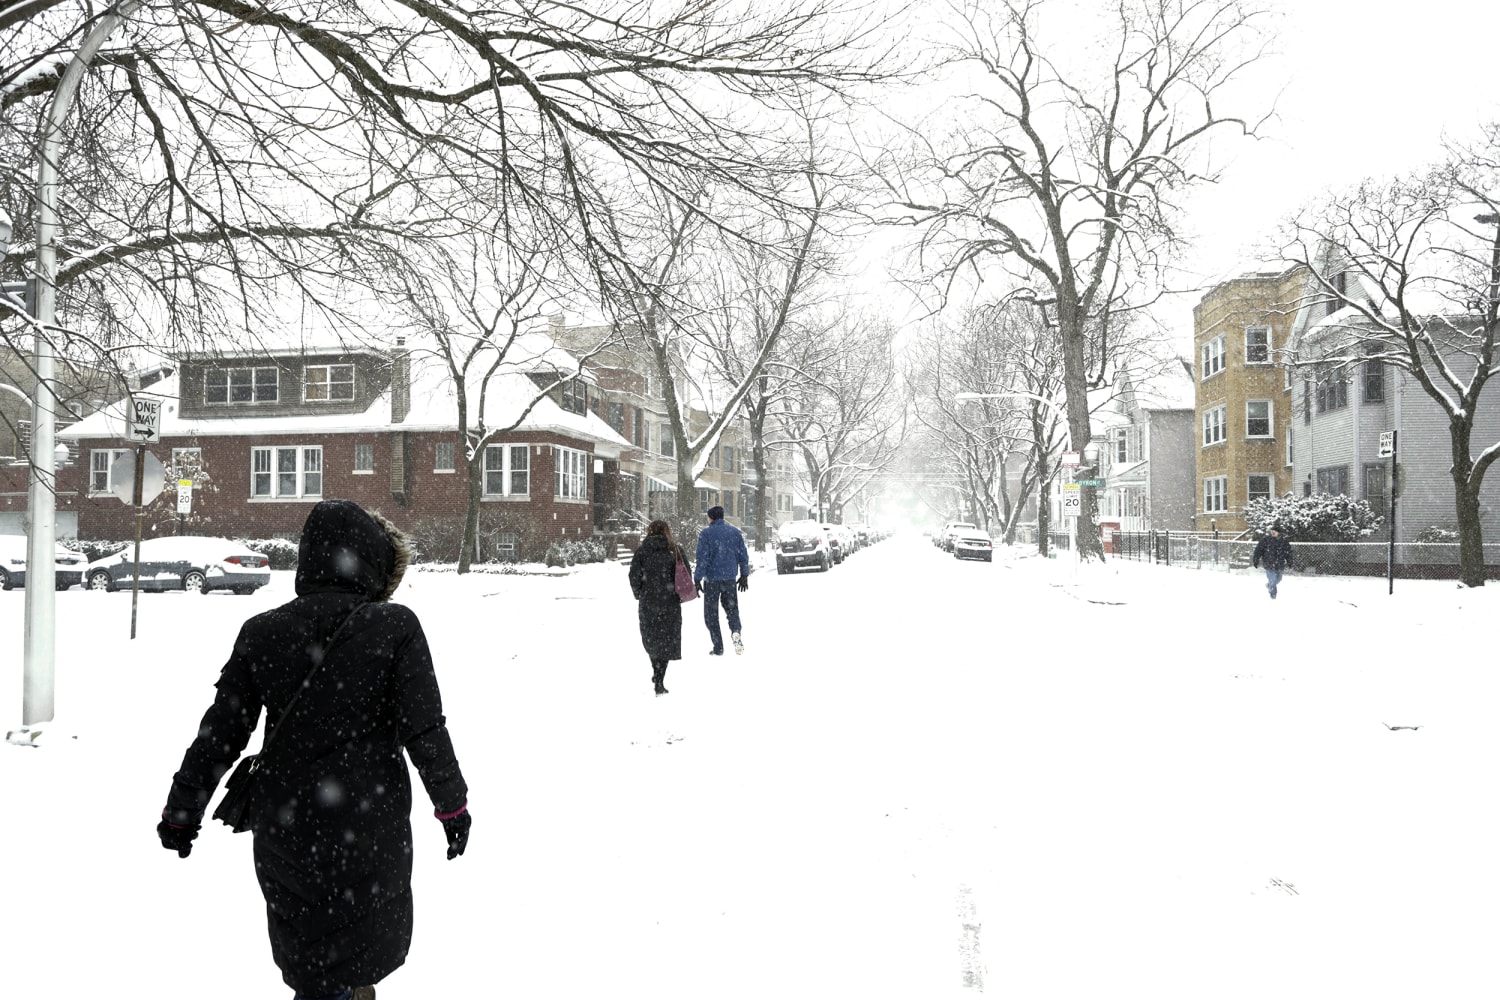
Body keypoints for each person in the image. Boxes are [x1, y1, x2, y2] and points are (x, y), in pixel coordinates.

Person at [156, 499, 471, 1000]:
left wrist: (182, 810)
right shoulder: (395, 628)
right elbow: (425, 729)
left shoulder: (262, 632)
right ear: (372, 559)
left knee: (310, 959)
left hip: (288, 825)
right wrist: (452, 804)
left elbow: (220, 733)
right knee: (361, 948)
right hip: (371, 823)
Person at [629, 519, 688, 695]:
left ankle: (656, 671)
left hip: (649, 602)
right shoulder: (675, 550)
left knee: (652, 639)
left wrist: (639, 592)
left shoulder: (642, 551)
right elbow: (685, 574)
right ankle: (660, 676)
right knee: (667, 640)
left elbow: (633, 575)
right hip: (670, 602)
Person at [694, 504, 750, 655]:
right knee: (732, 609)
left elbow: (702, 559)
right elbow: (743, 556)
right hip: (729, 579)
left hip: (711, 580)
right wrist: (744, 575)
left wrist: (697, 578)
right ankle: (736, 631)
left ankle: (718, 646)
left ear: (711, 517)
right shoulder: (735, 533)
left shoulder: (706, 534)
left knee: (711, 614)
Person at [1252, 524, 1295, 599]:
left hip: (1279, 564)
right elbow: (1258, 550)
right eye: (1272, 531)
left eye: (1274, 531)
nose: (1273, 532)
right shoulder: (1265, 540)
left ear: (1279, 533)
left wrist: (1290, 562)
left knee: (1278, 579)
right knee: (1273, 580)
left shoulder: (1284, 541)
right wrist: (1256, 559)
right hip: (1269, 564)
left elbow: (1288, 553)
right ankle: (1273, 596)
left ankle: (1269, 585)